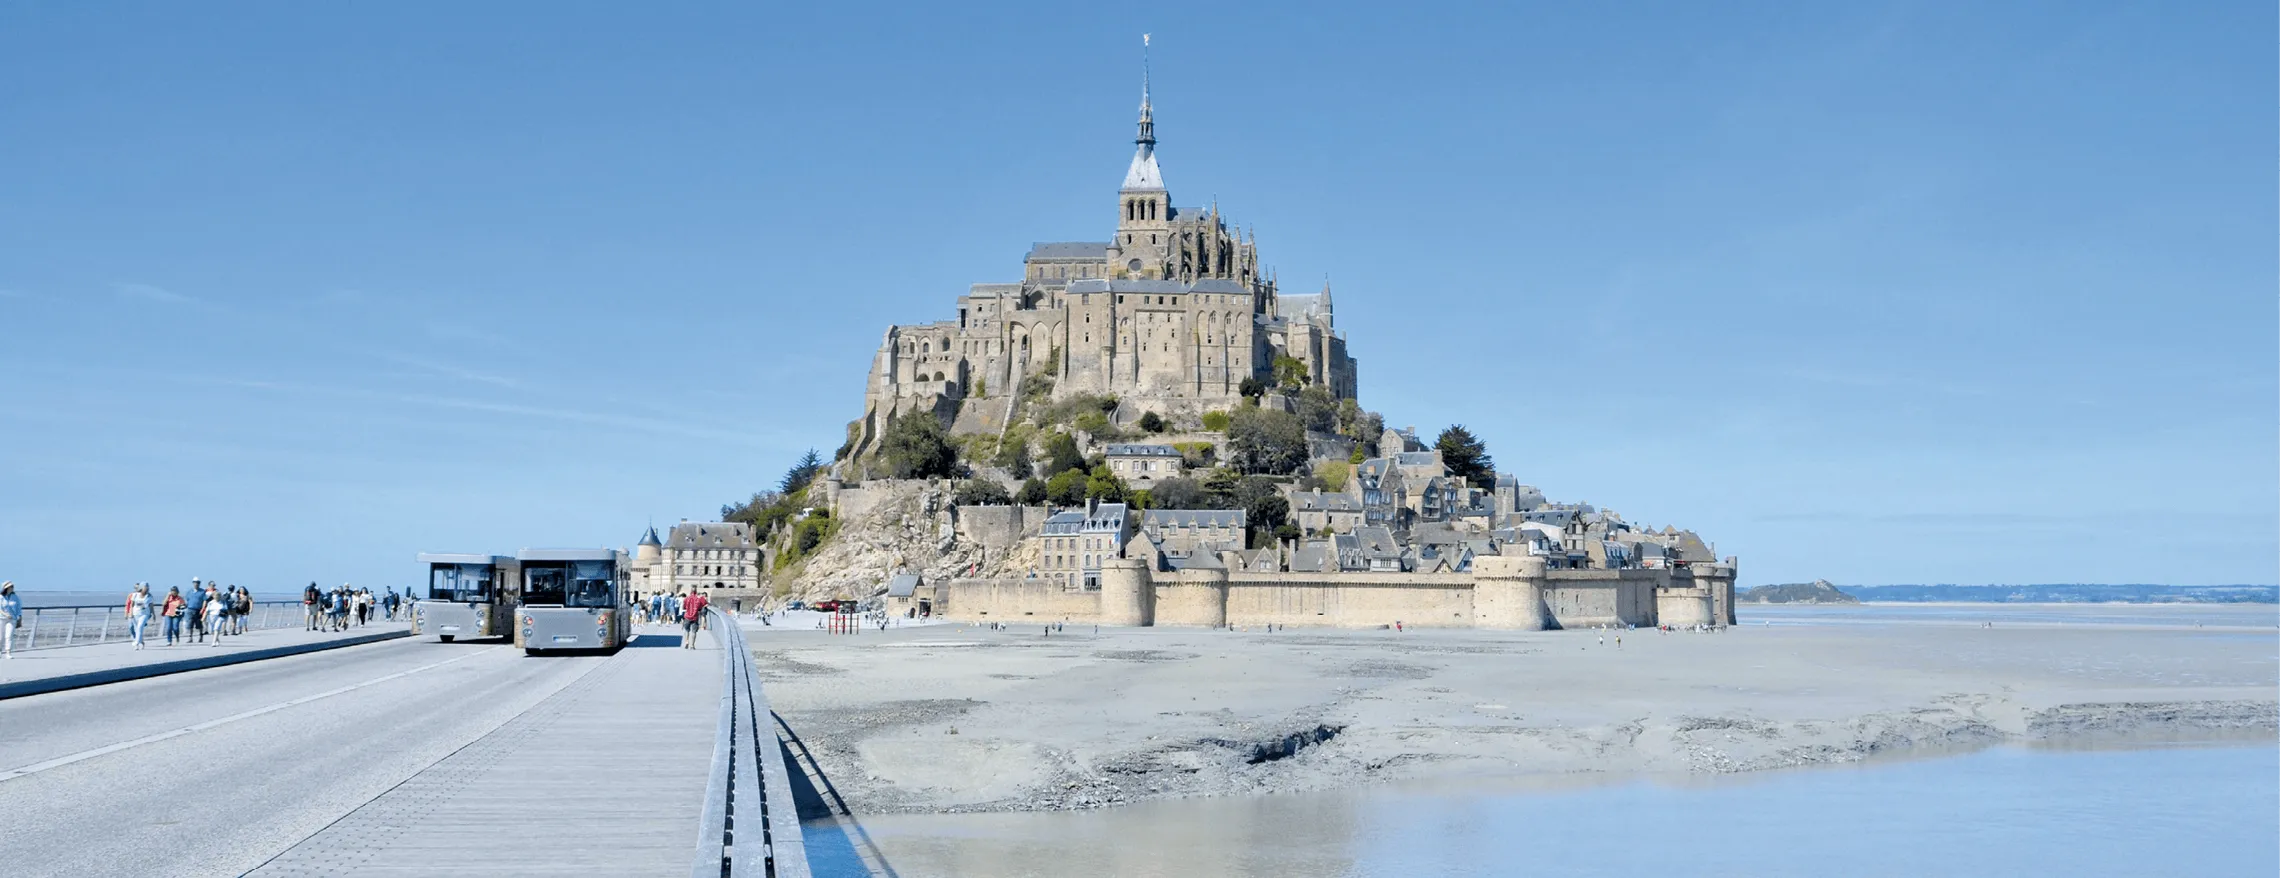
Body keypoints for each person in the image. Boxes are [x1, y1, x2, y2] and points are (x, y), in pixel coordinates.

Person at [185, 578, 208, 643]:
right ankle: (190, 637)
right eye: (195, 582)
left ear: (199, 583)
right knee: (190, 624)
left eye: (197, 583)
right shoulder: (189, 591)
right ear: (193, 583)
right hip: (190, 609)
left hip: (198, 610)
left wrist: (203, 609)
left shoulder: (202, 591)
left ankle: (201, 636)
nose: (196, 584)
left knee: (199, 624)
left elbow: (205, 601)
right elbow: (187, 600)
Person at [1, 581, 19, 659]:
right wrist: (5, 614)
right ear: (6, 588)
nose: (12, 588)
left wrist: (19, 617)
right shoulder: (1, 597)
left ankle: (8, 652)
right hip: (1, 618)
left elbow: (18, 607)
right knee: (0, 636)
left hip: (12, 619)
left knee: (9, 636)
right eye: (10, 587)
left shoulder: (15, 597)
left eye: (12, 586)